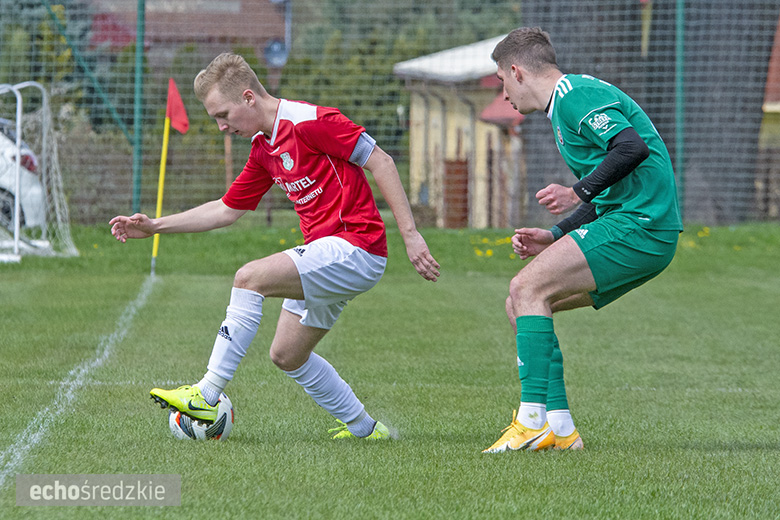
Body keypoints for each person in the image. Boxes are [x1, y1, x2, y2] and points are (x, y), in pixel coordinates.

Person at [110, 53, 440, 440]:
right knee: (287, 354)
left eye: (223, 114)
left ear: (249, 98)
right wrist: (155, 226)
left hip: (357, 247)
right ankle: (366, 430)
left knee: (249, 278)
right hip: (328, 253)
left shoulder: (311, 122)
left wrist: (411, 234)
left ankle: (207, 393)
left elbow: (380, 160)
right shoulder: (263, 149)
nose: (220, 126)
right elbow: (225, 210)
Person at [482, 28, 682, 453]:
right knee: (520, 302)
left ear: (517, 71)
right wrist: (555, 234)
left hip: (642, 224)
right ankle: (560, 428)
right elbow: (615, 183)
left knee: (525, 287)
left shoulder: (574, 94)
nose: (504, 95)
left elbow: (629, 148)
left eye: (502, 82)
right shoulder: (565, 106)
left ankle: (530, 419)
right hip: (638, 223)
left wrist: (578, 190)